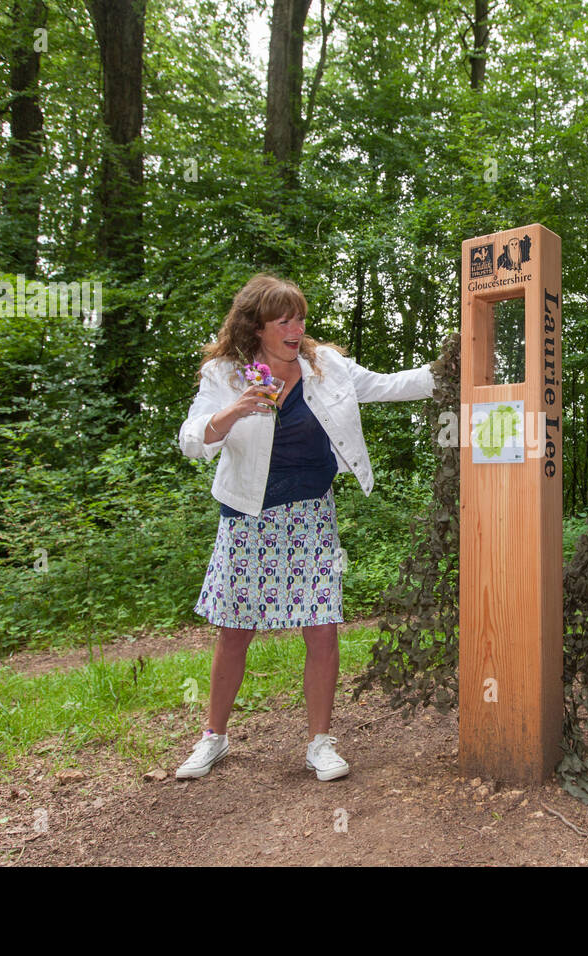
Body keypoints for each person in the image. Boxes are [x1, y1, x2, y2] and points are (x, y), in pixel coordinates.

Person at [176, 274, 436, 782]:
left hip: (312, 515)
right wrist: (232, 412)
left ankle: (320, 742)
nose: (295, 329)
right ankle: (213, 737)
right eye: (283, 321)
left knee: (321, 627)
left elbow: (389, 385)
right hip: (247, 518)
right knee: (235, 632)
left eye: (300, 318)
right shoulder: (226, 373)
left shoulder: (326, 367)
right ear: (256, 327)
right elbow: (191, 437)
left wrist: (451, 366)